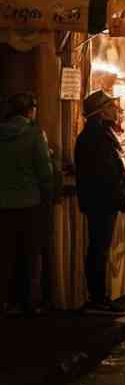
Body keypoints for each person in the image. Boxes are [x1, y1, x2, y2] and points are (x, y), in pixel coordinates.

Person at [73, 91, 125, 314]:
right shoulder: (96, 135)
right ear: (100, 111)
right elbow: (105, 171)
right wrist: (119, 193)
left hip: (102, 199)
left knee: (100, 248)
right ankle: (97, 299)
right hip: (101, 200)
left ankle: (100, 297)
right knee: (99, 249)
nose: (115, 110)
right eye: (111, 106)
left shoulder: (99, 133)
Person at [0, 93, 54, 316]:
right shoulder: (34, 135)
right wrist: (50, 194)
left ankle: (5, 302)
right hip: (30, 204)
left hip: (3, 205)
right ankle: (28, 303)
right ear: (30, 111)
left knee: (5, 255)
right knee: (29, 255)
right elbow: (44, 171)